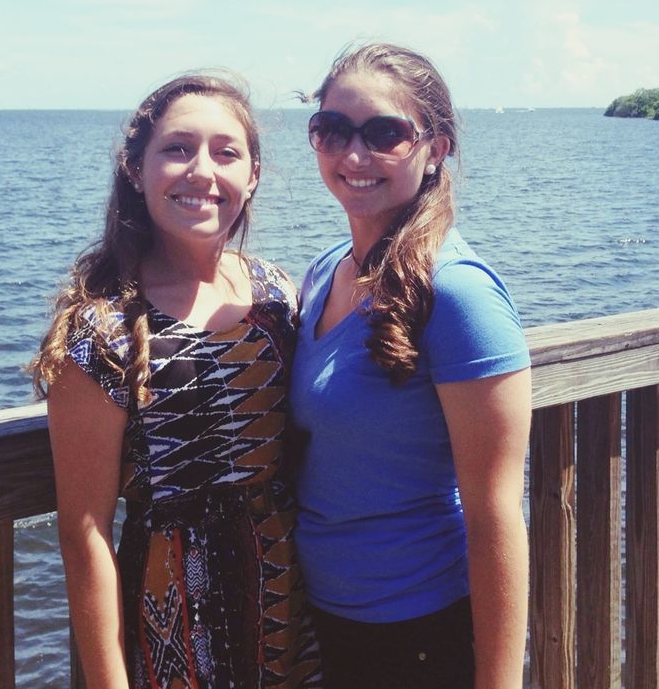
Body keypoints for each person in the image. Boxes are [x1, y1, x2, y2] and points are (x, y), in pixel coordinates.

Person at [29, 73, 323, 689]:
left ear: (254, 174)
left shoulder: (277, 295)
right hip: (177, 621)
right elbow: (84, 535)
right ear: (136, 169)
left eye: (226, 152)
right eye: (177, 148)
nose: (202, 170)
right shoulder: (102, 332)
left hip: (296, 599)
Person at [290, 44, 532, 689]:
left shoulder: (458, 294)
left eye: (385, 133)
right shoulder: (325, 270)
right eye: (332, 130)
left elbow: (495, 511)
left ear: (436, 147)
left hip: (417, 630)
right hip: (325, 617)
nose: (354, 155)